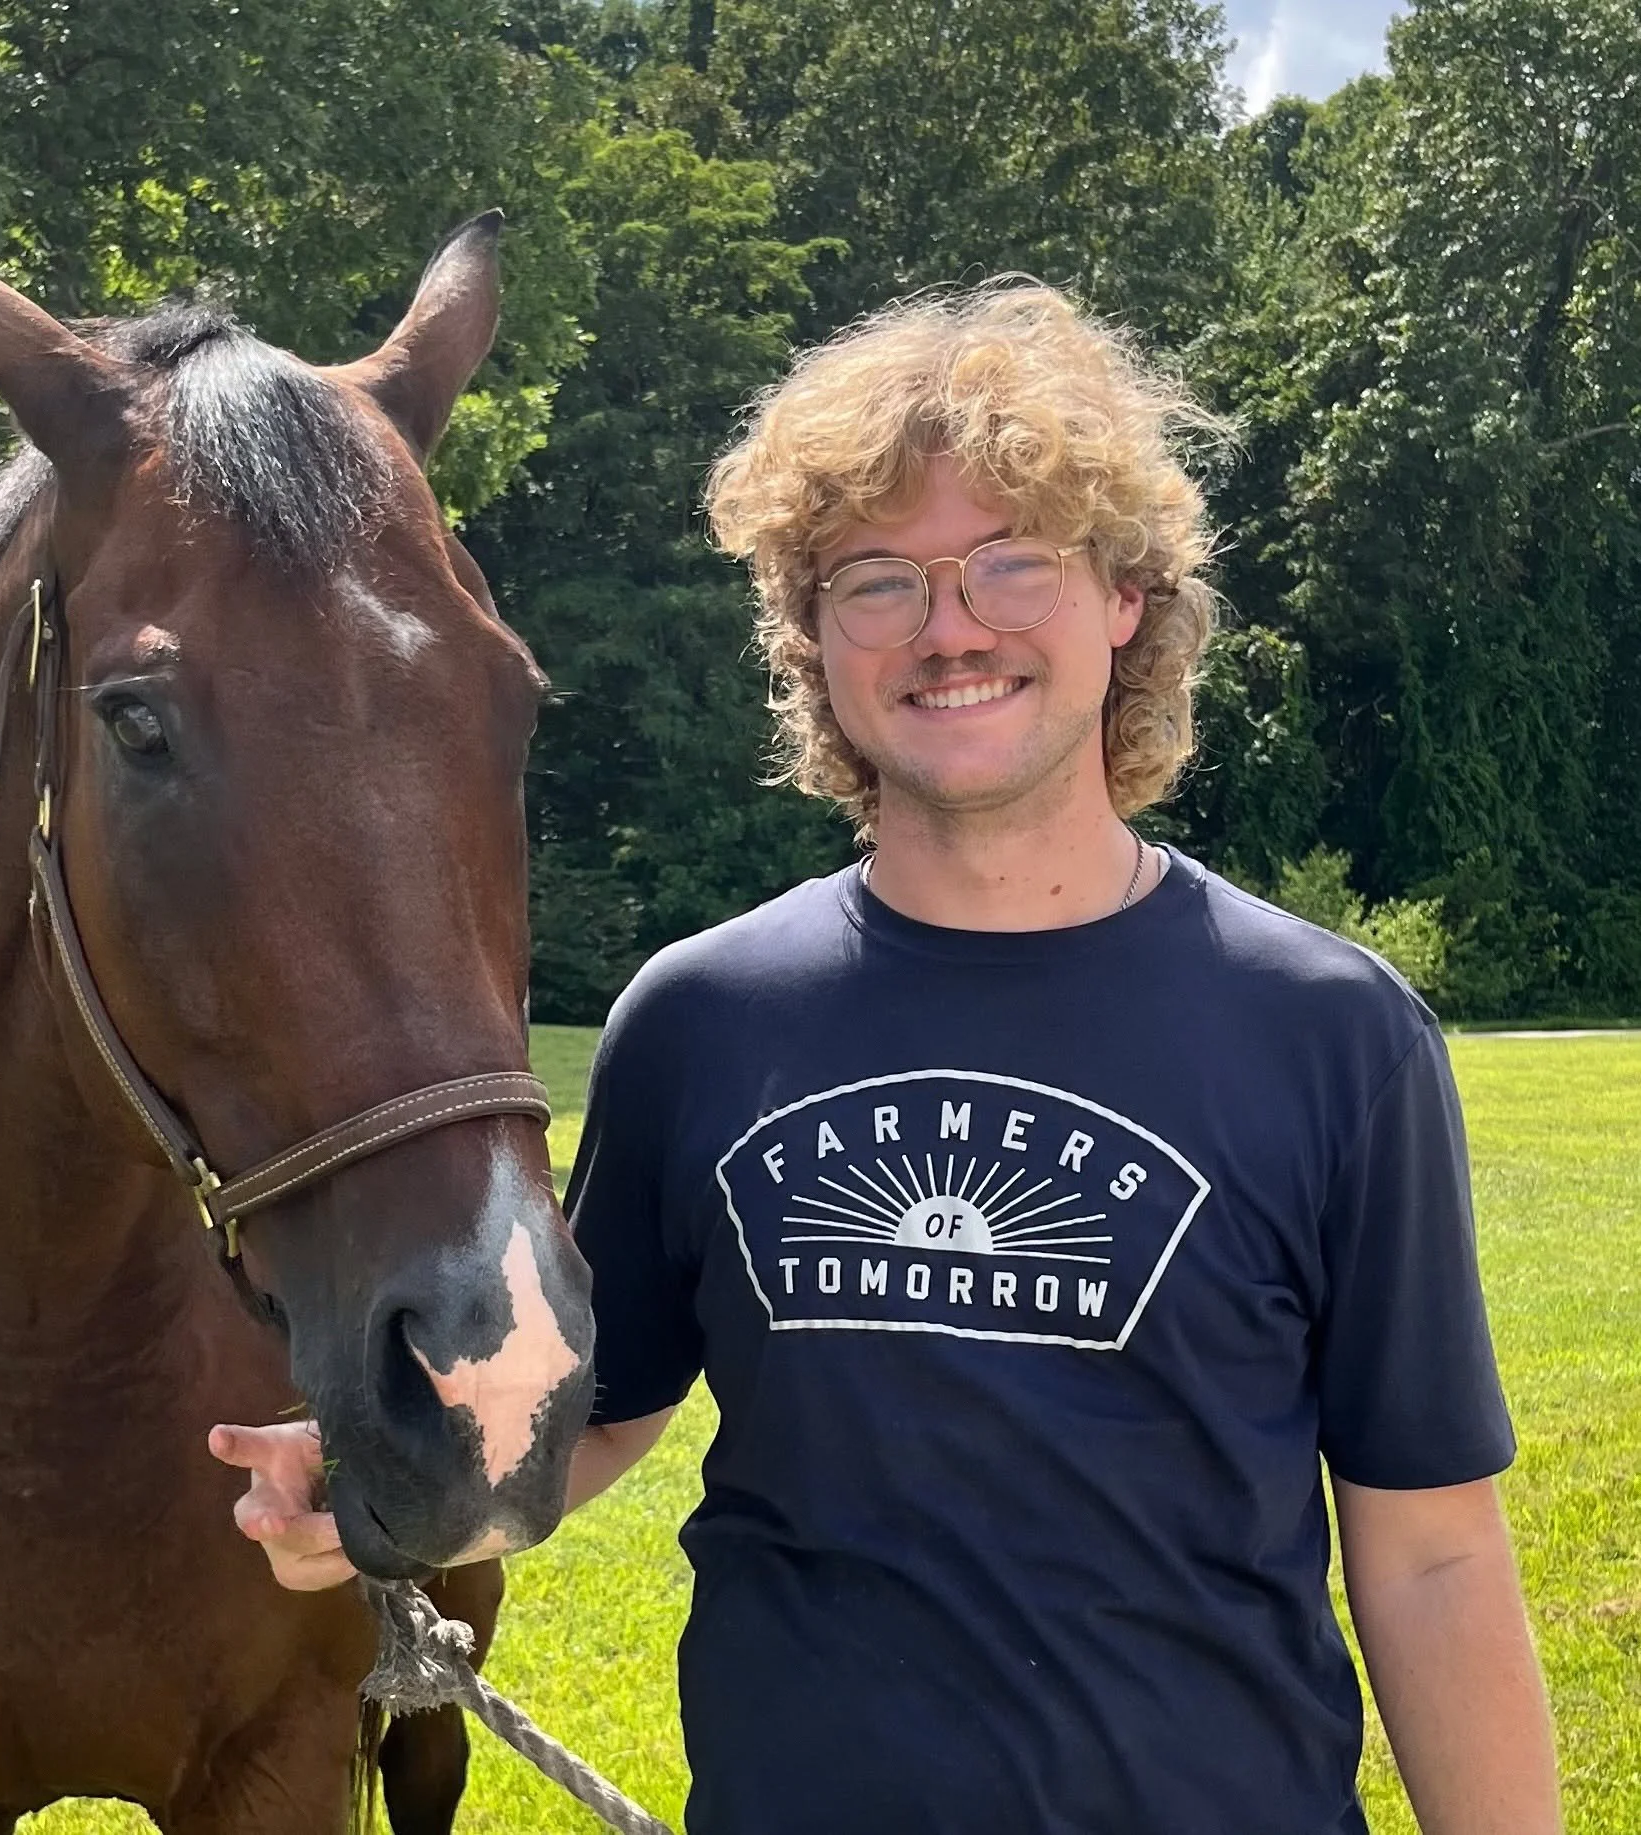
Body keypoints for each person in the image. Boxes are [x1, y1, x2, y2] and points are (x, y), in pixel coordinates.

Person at [208, 285, 1561, 1834]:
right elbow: (596, 1411)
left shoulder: (1330, 1033)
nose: (949, 626)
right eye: (877, 580)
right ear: (811, 638)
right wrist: (381, 1479)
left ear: (1125, 597)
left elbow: (1431, 1548)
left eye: (1012, 560)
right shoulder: (702, 1019)